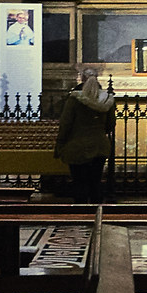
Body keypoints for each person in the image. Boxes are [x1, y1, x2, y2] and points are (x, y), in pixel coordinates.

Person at [55, 68, 115, 204]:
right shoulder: (107, 100)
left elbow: (66, 123)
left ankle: (80, 215)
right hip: (100, 145)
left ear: (82, 78)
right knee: (95, 181)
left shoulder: (75, 99)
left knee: (80, 182)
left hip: (77, 146)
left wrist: (60, 143)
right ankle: (96, 214)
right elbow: (111, 124)